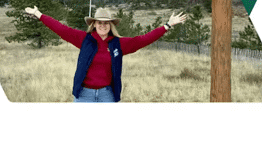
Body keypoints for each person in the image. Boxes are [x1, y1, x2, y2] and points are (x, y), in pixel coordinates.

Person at [24, 6, 187, 102]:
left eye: (106, 23)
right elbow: (60, 29)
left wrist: (167, 25)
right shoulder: (84, 39)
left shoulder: (118, 44)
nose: (102, 25)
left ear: (110, 25)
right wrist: (39, 15)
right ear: (94, 24)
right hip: (84, 94)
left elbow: (143, 39)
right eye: (99, 22)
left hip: (107, 94)